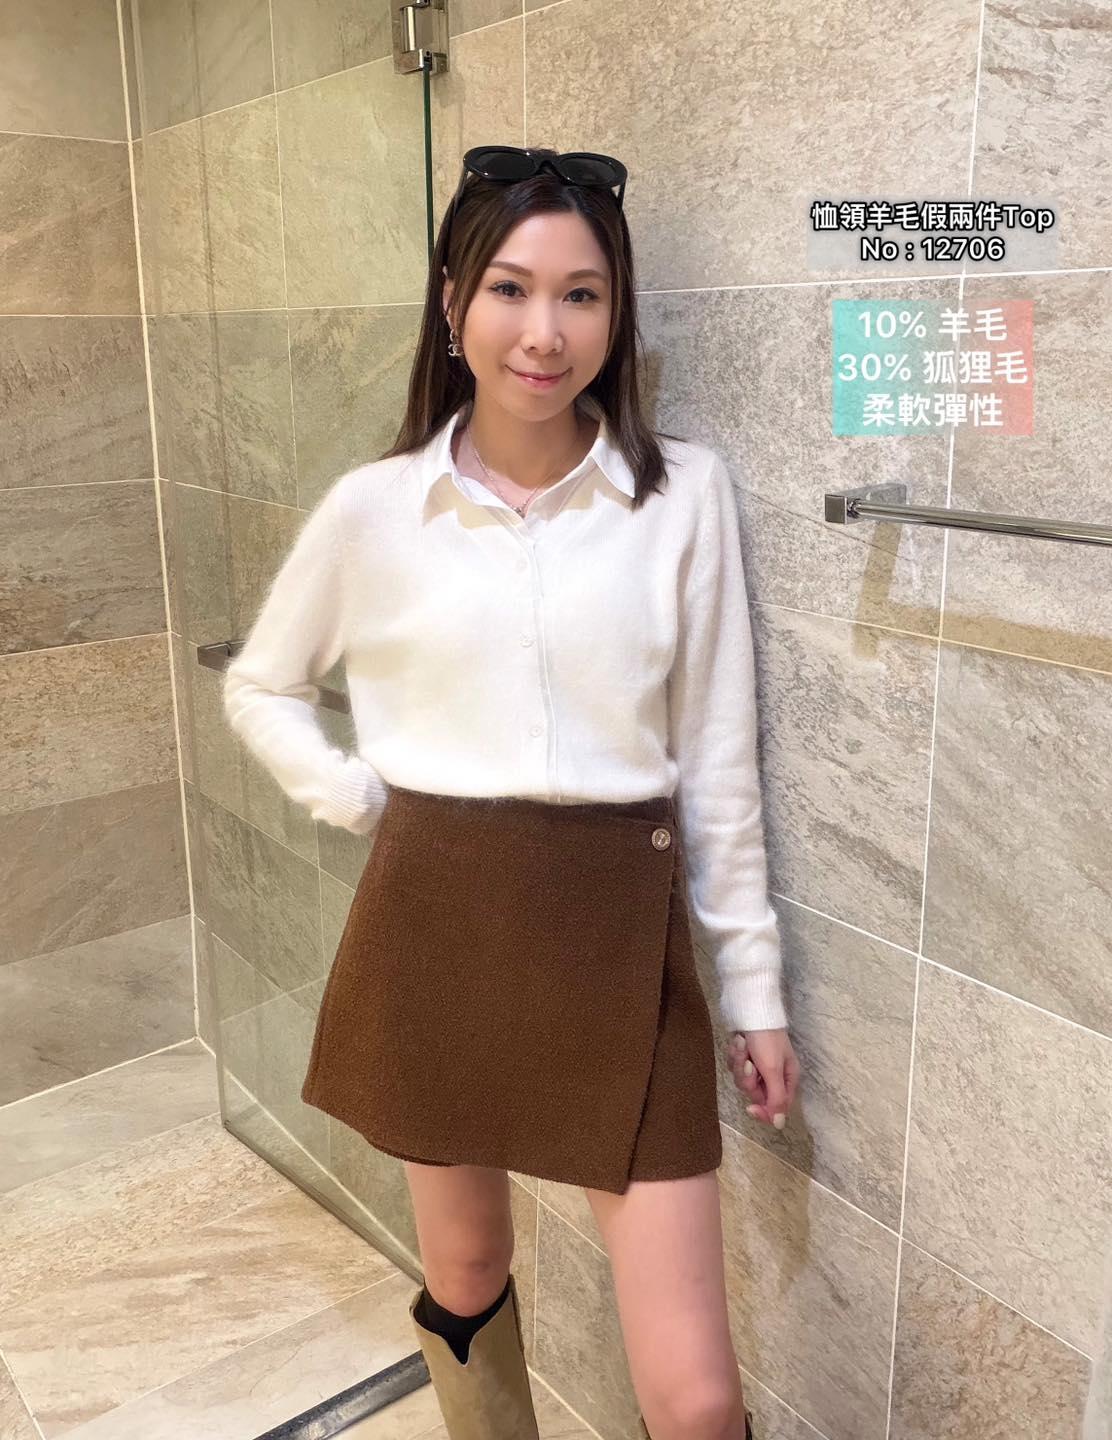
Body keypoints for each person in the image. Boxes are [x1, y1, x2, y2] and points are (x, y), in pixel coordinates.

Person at [223, 145, 801, 1440]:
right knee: (469, 1272)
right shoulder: (376, 510)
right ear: (453, 302)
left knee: (699, 1397)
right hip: (433, 930)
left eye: (581, 295)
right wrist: (357, 797)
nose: (545, 332)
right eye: (511, 288)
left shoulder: (683, 498)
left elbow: (717, 765)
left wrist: (754, 991)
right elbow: (260, 684)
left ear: (617, 313)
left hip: (617, 939)